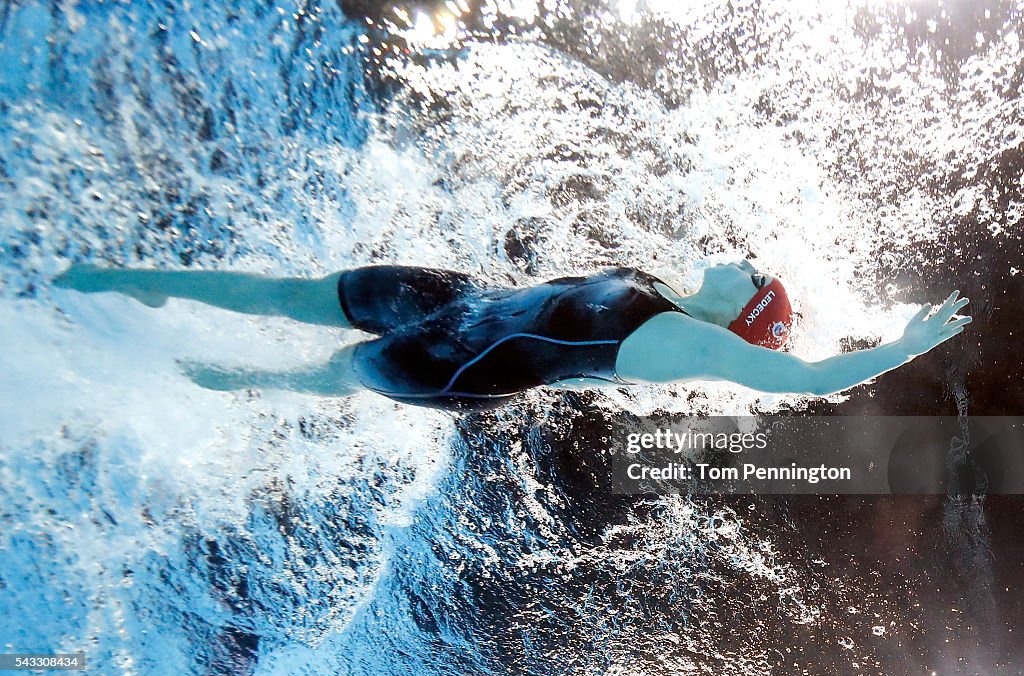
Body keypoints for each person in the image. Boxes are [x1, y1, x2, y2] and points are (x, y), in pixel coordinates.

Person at [53, 261, 971, 411]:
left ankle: (219, 379)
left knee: (335, 370)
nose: (740, 256)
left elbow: (803, 380)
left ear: (742, 315)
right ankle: (145, 287)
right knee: (299, 292)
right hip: (464, 300)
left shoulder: (687, 345)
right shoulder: (659, 285)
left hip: (459, 360)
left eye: (753, 271)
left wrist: (907, 345)